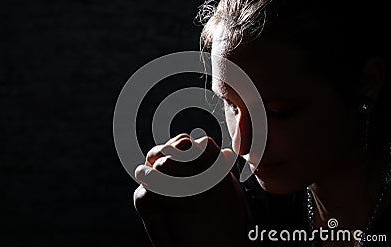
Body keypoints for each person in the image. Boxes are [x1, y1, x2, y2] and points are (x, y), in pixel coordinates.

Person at [133, 0, 391, 246]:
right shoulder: (235, 208)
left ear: (368, 83)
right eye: (231, 105)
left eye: (277, 111)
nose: (241, 144)